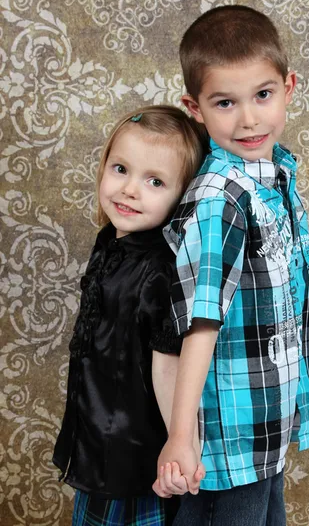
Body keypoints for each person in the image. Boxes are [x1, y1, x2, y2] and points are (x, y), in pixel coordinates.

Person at [154, 6, 309, 525]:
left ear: (289, 87)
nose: (248, 119)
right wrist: (181, 437)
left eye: (262, 95)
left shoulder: (274, 176)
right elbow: (200, 323)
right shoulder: (219, 199)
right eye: (225, 102)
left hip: (266, 419)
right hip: (227, 435)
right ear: (195, 107)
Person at [53, 105, 208, 526]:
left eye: (155, 181)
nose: (129, 190)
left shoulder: (159, 269)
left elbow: (168, 366)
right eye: (121, 169)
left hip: (133, 448)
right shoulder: (111, 241)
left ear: (182, 197)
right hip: (96, 430)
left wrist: (183, 443)